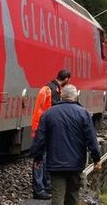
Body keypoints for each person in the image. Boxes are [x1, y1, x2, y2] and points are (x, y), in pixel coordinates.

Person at [30, 84, 102, 205]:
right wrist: (96, 159)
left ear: (61, 96)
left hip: (56, 165)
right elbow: (91, 139)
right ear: (76, 96)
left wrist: (37, 157)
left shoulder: (48, 114)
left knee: (57, 198)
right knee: (73, 196)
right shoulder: (84, 114)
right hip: (76, 165)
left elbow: (40, 139)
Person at [31, 70, 71, 200]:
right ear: (66, 79)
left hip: (41, 127)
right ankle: (39, 189)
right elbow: (52, 112)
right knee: (40, 158)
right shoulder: (53, 91)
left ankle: (44, 186)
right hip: (43, 129)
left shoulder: (49, 88)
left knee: (44, 157)